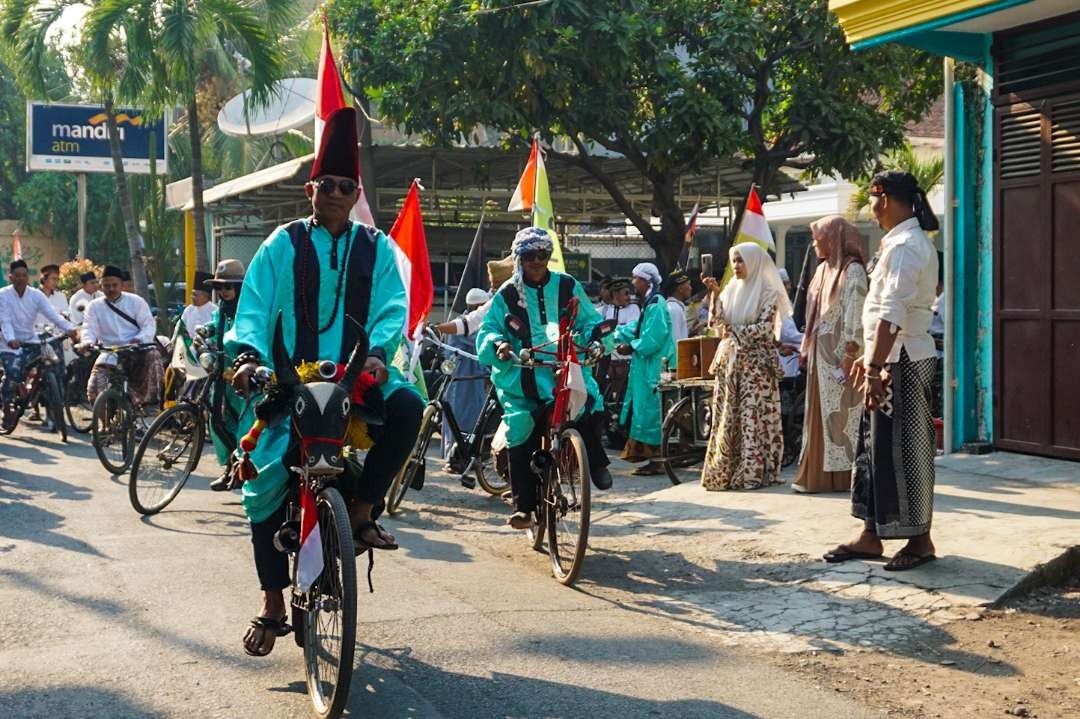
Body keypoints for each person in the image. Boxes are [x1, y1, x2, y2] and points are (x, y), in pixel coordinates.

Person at [224, 107, 423, 656]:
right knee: (263, 481)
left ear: (355, 191)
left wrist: (380, 356)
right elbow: (255, 309)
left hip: (359, 378)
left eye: (345, 186)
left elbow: (391, 308)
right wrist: (247, 358)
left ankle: (362, 511)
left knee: (408, 407)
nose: (335, 193)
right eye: (326, 184)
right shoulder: (280, 245)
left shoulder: (377, 247)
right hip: (290, 383)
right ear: (309, 188)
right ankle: (271, 600)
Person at [823, 171, 940, 572]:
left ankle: (920, 539)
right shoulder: (899, 243)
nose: (871, 211)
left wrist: (875, 368)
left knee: (905, 451)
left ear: (884, 200)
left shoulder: (907, 246)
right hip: (890, 357)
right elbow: (881, 317)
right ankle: (872, 535)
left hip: (903, 359)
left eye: (873, 202)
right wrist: (870, 358)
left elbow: (892, 314)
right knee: (874, 451)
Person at [476, 226, 613, 529]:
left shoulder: (568, 285)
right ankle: (524, 507)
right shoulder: (508, 293)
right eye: (529, 255)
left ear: (549, 256)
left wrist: (596, 342)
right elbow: (488, 330)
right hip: (521, 378)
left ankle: (599, 464)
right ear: (518, 258)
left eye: (542, 254)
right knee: (520, 425)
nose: (536, 261)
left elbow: (591, 321)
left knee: (586, 399)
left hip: (564, 368)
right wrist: (498, 345)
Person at [700, 243, 791, 490]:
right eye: (734, 261)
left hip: (756, 366)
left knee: (753, 418)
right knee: (728, 417)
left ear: (754, 261)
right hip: (730, 363)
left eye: (741, 261)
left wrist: (735, 330)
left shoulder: (768, 291)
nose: (737, 266)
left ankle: (752, 471)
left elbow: (764, 329)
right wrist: (715, 293)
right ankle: (725, 471)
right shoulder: (730, 289)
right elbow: (716, 323)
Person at [793, 215, 868, 494]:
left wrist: (850, 352)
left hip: (841, 358)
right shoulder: (822, 270)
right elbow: (812, 315)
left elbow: (856, 316)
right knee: (818, 416)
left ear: (833, 240)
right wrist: (806, 346)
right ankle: (816, 477)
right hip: (819, 358)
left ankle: (843, 478)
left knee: (842, 415)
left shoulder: (853, 271)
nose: (814, 244)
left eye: (819, 239)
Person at [0, 260, 78, 429]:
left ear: (28, 277)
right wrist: (11, 339)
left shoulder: (36, 295)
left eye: (24, 275)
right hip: (8, 344)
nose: (21, 278)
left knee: (51, 365)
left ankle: (45, 404)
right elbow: (4, 320)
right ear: (11, 277)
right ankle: (6, 408)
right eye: (17, 276)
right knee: (13, 374)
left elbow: (53, 315)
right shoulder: (3, 295)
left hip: (31, 340)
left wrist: (70, 329)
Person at [616, 262, 675, 475]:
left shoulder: (656, 304)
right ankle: (651, 458)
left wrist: (630, 346)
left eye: (636, 278)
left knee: (652, 414)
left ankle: (658, 460)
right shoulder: (650, 303)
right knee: (644, 412)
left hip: (655, 368)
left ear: (645, 280)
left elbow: (653, 337)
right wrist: (615, 332)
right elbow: (638, 328)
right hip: (646, 368)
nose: (633, 283)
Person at [79, 265, 161, 410]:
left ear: (122, 285)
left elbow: (148, 325)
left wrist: (140, 339)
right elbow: (88, 328)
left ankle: (144, 405)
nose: (111, 289)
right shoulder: (94, 306)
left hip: (135, 350)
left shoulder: (136, 301)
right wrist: (87, 342)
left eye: (114, 285)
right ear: (100, 286)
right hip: (109, 352)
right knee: (95, 387)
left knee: (152, 356)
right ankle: (103, 423)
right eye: (107, 285)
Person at [202, 260, 247, 492]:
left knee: (244, 423)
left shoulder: (249, 310)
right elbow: (218, 323)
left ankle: (243, 470)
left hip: (244, 377)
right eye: (220, 287)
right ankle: (230, 467)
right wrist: (206, 329)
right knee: (216, 419)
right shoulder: (221, 309)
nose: (224, 292)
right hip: (221, 372)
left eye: (228, 287)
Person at [441, 287, 492, 485]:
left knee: (475, 420)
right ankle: (454, 459)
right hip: (461, 380)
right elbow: (479, 338)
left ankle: (468, 458)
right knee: (457, 420)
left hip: (476, 379)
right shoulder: (463, 326)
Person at [432, 256, 514, 337]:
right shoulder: (500, 300)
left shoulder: (514, 296)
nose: (493, 291)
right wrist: (436, 328)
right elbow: (470, 323)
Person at [179, 271, 217, 340]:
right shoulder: (189, 310)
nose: (192, 297)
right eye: (192, 294)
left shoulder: (215, 311)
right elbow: (180, 328)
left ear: (205, 296)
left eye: (195, 295)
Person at [664, 269, 692, 343]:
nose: (690, 288)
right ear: (680, 289)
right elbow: (675, 340)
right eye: (688, 284)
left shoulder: (676, 307)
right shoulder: (674, 309)